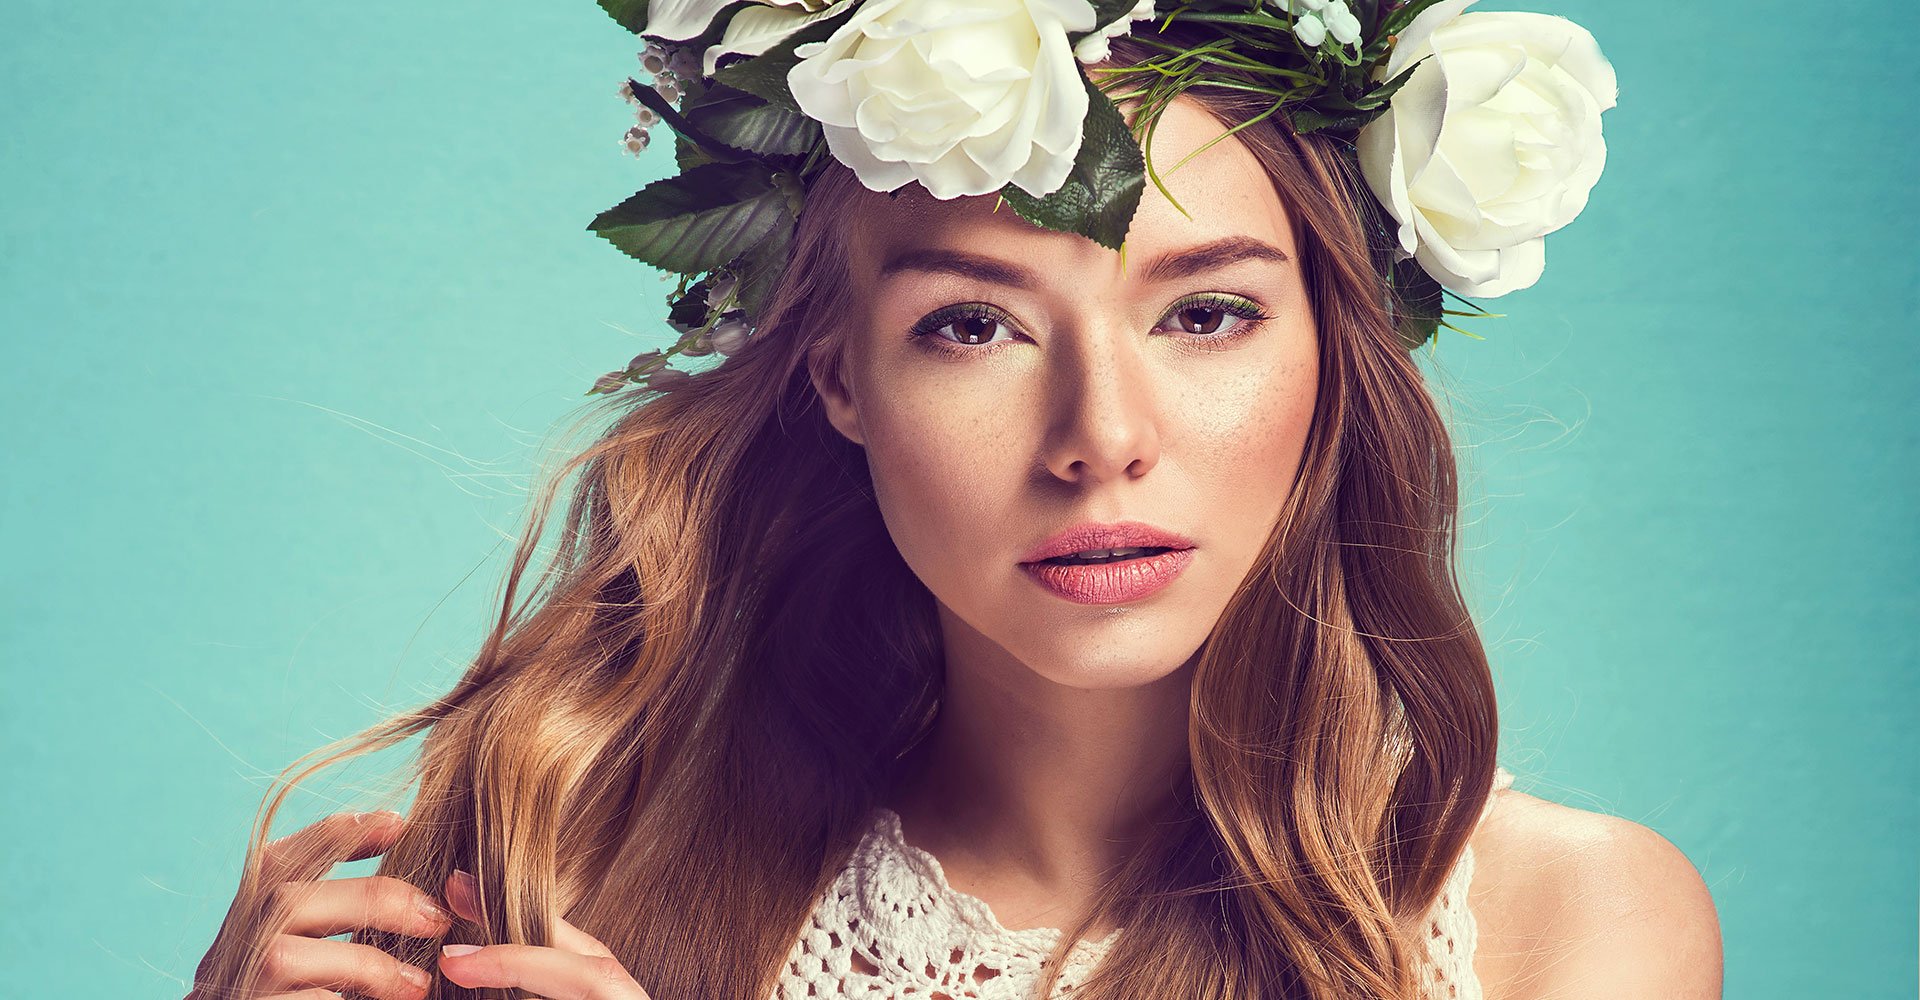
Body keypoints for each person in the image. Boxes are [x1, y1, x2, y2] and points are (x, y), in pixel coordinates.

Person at [187, 3, 1722, 999]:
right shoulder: (567, 882)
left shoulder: (1563, 934)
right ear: (838, 376)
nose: (1101, 439)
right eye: (972, 326)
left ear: (1337, 347)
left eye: (1207, 315)